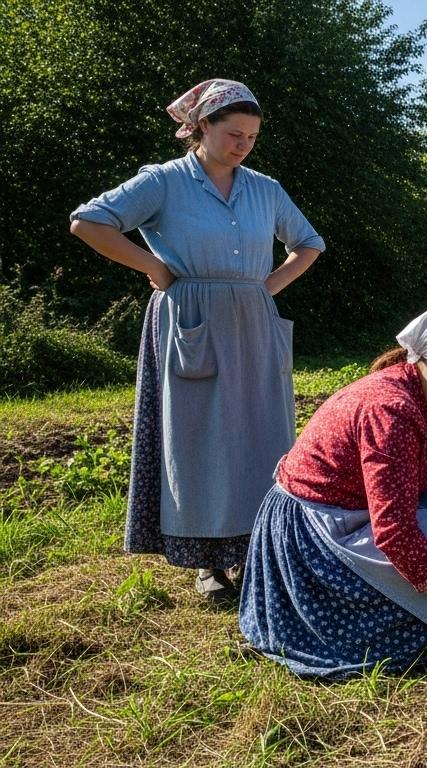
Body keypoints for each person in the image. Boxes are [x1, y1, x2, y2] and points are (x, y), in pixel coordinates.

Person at [69, 79, 324, 600]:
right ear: (201, 126)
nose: (243, 145)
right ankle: (209, 563)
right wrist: (155, 268)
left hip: (254, 324)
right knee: (200, 438)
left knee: (263, 432)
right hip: (192, 321)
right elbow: (89, 222)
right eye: (233, 133)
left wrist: (265, 287)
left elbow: (308, 243)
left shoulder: (265, 189)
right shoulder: (165, 182)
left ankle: (263, 548)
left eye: (252, 136)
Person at [239, 305, 427, 679]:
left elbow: (419, 468)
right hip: (319, 526)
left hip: (364, 506)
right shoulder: (391, 410)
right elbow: (395, 531)